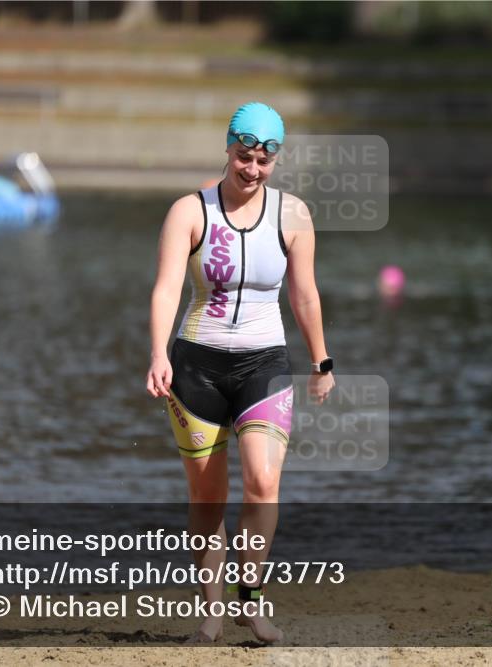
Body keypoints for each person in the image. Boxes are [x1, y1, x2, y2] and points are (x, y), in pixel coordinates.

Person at [146, 102, 335, 644]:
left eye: (263, 160)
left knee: (263, 482)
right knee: (208, 498)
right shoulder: (189, 210)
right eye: (244, 156)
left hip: (265, 363)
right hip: (195, 364)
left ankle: (249, 598)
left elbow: (304, 293)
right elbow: (165, 288)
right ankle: (210, 612)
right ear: (228, 148)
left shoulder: (292, 215)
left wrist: (322, 360)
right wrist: (158, 353)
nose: (252, 169)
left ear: (277, 160)